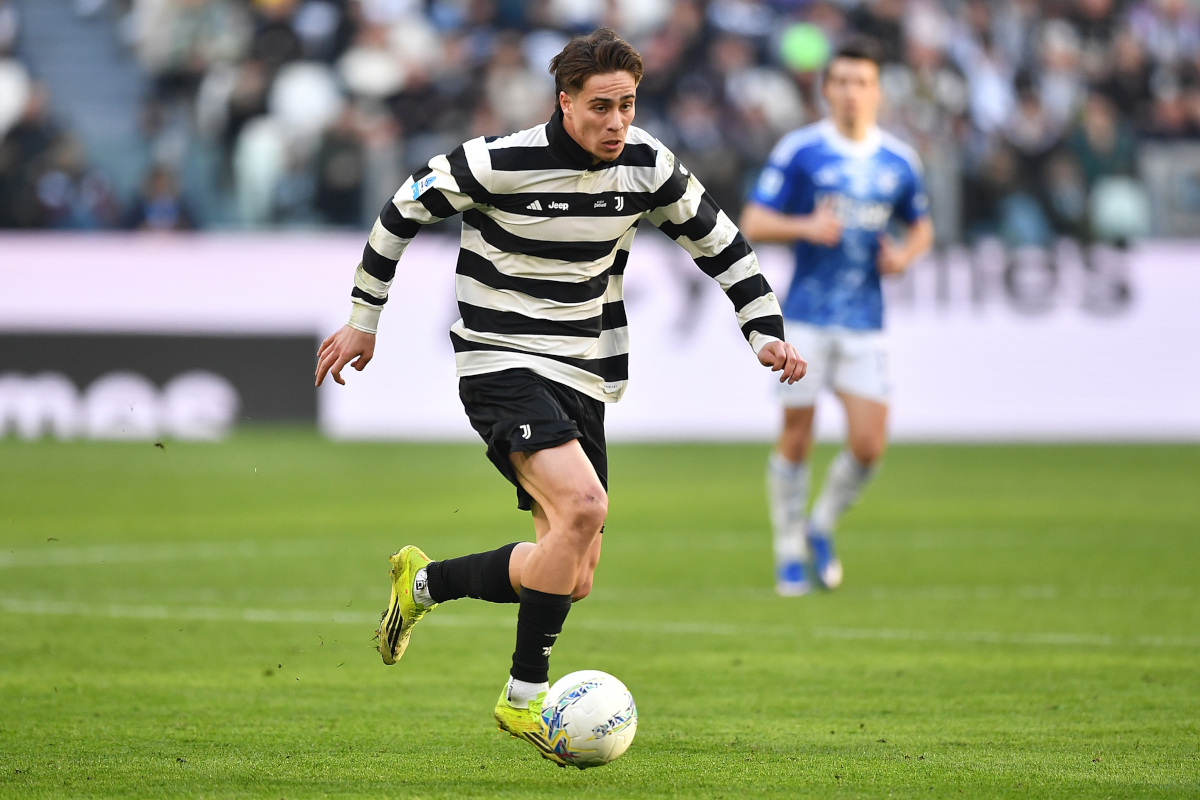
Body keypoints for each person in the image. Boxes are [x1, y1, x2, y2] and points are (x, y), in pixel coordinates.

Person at [313, 28, 805, 766]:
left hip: (587, 372)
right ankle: (522, 699)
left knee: (569, 574)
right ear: (564, 102)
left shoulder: (647, 165)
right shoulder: (497, 160)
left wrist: (763, 332)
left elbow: (723, 246)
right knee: (584, 507)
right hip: (499, 360)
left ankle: (422, 583)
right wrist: (362, 320)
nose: (616, 123)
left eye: (628, 106)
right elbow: (399, 212)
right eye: (601, 107)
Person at [739, 38, 934, 597]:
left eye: (862, 82)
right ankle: (787, 551)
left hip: (865, 322)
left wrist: (904, 255)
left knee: (870, 445)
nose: (852, 92)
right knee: (797, 433)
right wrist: (805, 228)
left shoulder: (899, 160)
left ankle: (819, 526)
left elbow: (921, 226)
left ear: (877, 90)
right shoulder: (801, 150)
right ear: (826, 89)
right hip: (804, 318)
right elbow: (754, 218)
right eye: (842, 81)